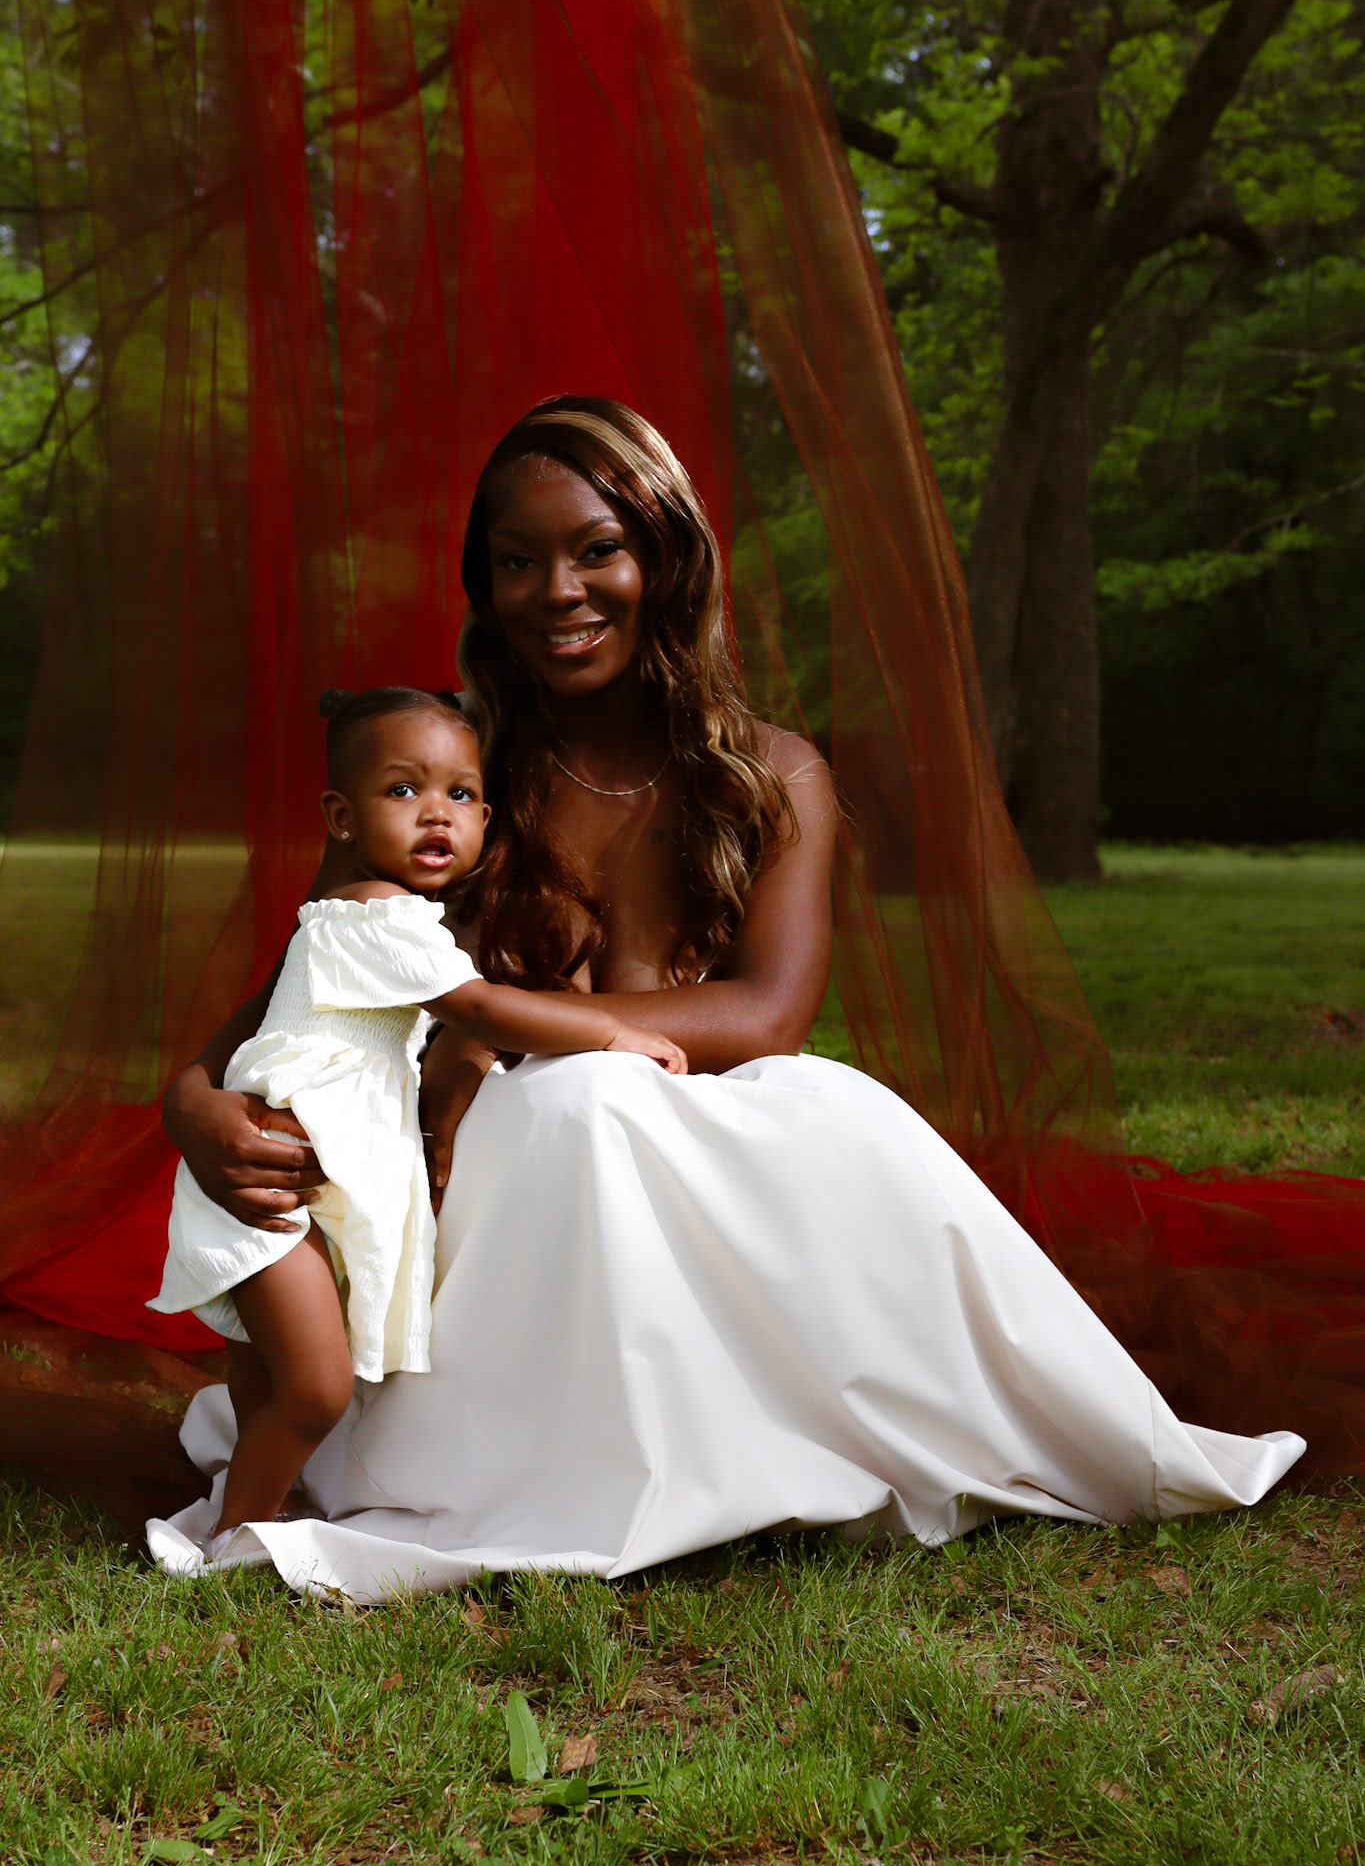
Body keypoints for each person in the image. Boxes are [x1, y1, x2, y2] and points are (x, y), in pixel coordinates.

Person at [148, 397, 1305, 1598]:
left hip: (704, 1114)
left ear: (667, 555)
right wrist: (193, 1104)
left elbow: (768, 1016)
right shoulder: (449, 771)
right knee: (579, 1107)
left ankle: (875, 1425)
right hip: (513, 1141)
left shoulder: (772, 769)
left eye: (598, 549)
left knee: (836, 1108)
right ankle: (567, 1464)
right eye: (517, 560)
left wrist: (557, 1032)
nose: (558, 589)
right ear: (484, 586)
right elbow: (302, 979)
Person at [149, 682, 682, 1567]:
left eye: (461, 794)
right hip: (272, 1183)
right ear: (342, 816)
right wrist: (612, 1030)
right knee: (315, 1387)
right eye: (403, 790)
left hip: (299, 1181)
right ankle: (234, 1536)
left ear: (485, 817)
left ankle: (262, 1494)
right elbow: (479, 1006)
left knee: (264, 1371)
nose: (437, 812)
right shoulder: (374, 912)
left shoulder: (360, 911)